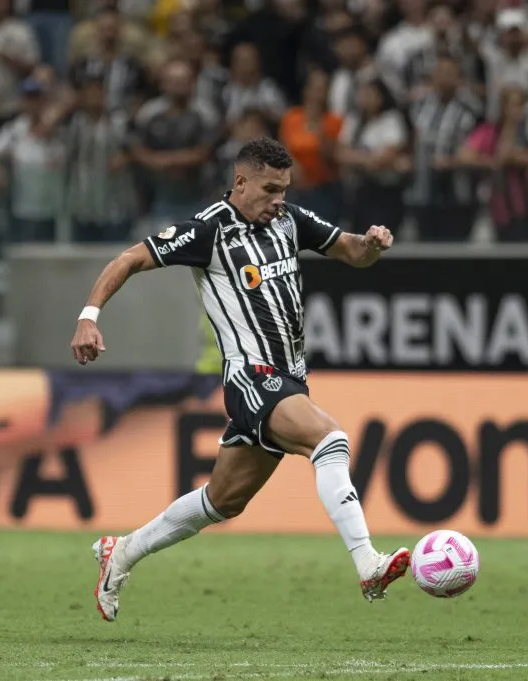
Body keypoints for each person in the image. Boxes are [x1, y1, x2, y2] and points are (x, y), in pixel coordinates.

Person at [69, 137, 408, 623]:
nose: (279, 199)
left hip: (290, 378)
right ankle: (368, 563)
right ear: (241, 182)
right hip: (251, 375)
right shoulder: (209, 231)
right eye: (270, 189)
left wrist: (372, 245)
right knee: (329, 439)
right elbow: (129, 260)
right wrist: (88, 317)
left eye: (285, 189)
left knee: (222, 501)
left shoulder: (290, 221)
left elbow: (352, 253)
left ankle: (120, 552)